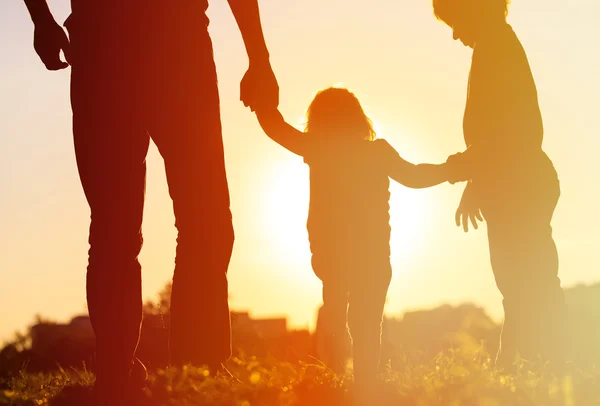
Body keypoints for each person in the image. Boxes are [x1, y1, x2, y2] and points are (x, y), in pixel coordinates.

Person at [22, 0, 278, 402]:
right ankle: (186, 372)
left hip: (123, 46)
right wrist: (258, 57)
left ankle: (164, 373)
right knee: (184, 220)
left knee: (127, 228)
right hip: (159, 44)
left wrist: (42, 20)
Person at [255, 87, 454, 392]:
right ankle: (364, 385)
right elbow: (415, 176)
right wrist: (454, 169)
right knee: (366, 324)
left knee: (335, 313)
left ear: (318, 119)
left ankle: (334, 382)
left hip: (331, 254)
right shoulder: (376, 151)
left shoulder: (317, 147)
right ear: (358, 119)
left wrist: (260, 98)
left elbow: (275, 128)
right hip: (372, 256)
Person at [432, 0, 567, 369]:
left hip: (520, 187)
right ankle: (524, 367)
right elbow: (495, 135)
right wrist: (475, 180)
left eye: (456, 22)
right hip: (513, 185)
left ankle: (552, 368)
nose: (457, 35)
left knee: (531, 282)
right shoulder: (494, 48)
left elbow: (509, 133)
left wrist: (461, 168)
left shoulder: (497, 50)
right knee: (518, 282)